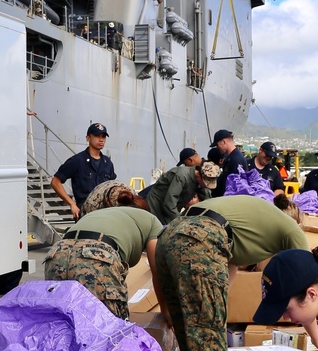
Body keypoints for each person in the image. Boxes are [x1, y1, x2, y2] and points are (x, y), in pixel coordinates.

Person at [154, 195, 310, 351]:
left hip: (170, 235)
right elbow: (307, 288)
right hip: (200, 240)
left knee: (193, 350)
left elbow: (227, 275)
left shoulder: (247, 224)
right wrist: (316, 336)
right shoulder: (292, 231)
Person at [43, 190, 168, 321]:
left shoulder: (99, 213)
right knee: (109, 326)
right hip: (97, 255)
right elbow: (158, 270)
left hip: (57, 253)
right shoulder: (151, 220)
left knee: (61, 322)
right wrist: (166, 311)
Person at [50, 123, 116, 220]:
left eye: (103, 136)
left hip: (105, 215)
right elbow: (55, 182)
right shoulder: (77, 161)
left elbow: (112, 188)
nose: (101, 139)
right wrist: (72, 204)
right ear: (88, 138)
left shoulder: (108, 163)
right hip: (85, 215)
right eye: (97, 136)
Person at [144, 159, 220, 223]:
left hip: (173, 205)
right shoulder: (182, 176)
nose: (206, 186)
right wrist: (181, 222)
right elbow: (169, 203)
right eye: (205, 184)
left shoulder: (200, 180)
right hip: (158, 203)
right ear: (199, 176)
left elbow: (207, 199)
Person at [207, 129, 246, 196]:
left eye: (217, 145)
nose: (217, 148)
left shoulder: (235, 159)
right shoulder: (231, 157)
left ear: (223, 141)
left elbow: (236, 187)